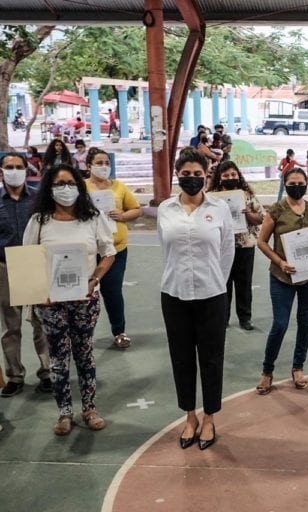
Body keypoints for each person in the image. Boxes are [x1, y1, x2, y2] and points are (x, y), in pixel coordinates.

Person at [22, 163, 116, 436]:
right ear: (49, 189)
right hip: (51, 303)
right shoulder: (39, 221)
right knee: (59, 358)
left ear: (79, 186)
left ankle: (89, 408)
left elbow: (109, 252)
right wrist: (40, 293)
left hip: (85, 299)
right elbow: (28, 259)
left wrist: (94, 279)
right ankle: (64, 412)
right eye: (59, 184)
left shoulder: (93, 217)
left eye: (71, 183)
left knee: (85, 354)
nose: (66, 189)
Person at [158, 149, 234, 450]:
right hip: (174, 294)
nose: (192, 178)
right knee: (181, 358)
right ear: (178, 175)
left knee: (212, 358)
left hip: (212, 295)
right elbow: (166, 249)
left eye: (197, 174)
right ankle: (189, 416)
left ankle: (210, 417)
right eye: (186, 174)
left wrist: (215, 281)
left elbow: (227, 251)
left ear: (206, 175)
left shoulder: (220, 208)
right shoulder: (165, 209)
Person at [256, 168, 308, 395]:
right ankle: (267, 371)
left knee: (305, 323)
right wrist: (280, 262)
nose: (297, 187)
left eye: (300, 183)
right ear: (285, 184)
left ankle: (298, 368)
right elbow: (261, 242)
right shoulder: (276, 210)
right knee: (280, 324)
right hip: (282, 277)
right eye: (292, 183)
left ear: (307, 183)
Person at [0, 152, 50, 398]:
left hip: (34, 262)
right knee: (10, 326)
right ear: (1, 171)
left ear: (26, 169)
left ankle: (47, 371)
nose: (14, 171)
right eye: (9, 167)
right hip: (5, 266)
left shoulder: (39, 199)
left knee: (41, 321)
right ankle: (15, 375)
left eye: (18, 166)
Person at [85, 149, 142, 348]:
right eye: (99, 163)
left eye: (106, 163)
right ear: (89, 166)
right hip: (89, 250)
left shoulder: (119, 186)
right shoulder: (81, 187)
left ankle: (119, 331)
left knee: (113, 291)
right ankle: (83, 335)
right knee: (85, 293)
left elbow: (136, 209)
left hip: (116, 249)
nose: (104, 166)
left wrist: (123, 216)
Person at [207, 161, 264, 331]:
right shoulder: (211, 197)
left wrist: (248, 213)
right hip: (220, 247)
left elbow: (260, 218)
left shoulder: (247, 195)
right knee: (222, 283)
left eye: (233, 174)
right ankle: (222, 318)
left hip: (244, 246)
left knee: (244, 284)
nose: (230, 178)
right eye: (225, 175)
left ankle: (245, 318)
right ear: (219, 178)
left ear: (238, 175)